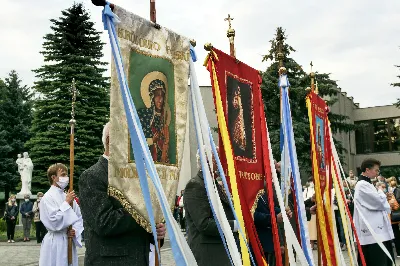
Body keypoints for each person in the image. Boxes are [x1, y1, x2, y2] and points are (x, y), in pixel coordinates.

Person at [78, 122, 166, 266]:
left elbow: (140, 222)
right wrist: (143, 211)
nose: (132, 147)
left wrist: (155, 231)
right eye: (128, 140)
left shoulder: (132, 177)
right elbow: (104, 222)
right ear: (109, 141)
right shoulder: (92, 176)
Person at [183, 149, 239, 266]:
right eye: (218, 158)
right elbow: (204, 224)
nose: (221, 162)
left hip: (221, 250)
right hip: (209, 254)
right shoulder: (195, 185)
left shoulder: (214, 184)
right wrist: (235, 225)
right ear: (207, 161)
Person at [39, 163, 84, 266]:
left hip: (68, 240)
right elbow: (53, 221)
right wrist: (66, 203)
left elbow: (78, 217)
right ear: (54, 177)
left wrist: (74, 230)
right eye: (63, 175)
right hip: (55, 242)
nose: (66, 178)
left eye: (67, 175)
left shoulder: (67, 196)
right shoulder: (47, 197)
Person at [354, 158, 395, 266]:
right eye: (376, 170)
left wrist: (384, 196)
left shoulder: (367, 183)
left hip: (377, 229)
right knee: (377, 260)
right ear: (367, 170)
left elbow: (376, 200)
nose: (378, 173)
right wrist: (382, 192)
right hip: (372, 231)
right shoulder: (362, 184)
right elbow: (378, 202)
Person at [137, 79, 170, 163]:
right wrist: (152, 140)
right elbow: (137, 140)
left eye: (162, 96)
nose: (160, 100)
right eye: (157, 96)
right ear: (152, 97)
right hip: (147, 161)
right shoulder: (144, 115)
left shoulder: (164, 118)